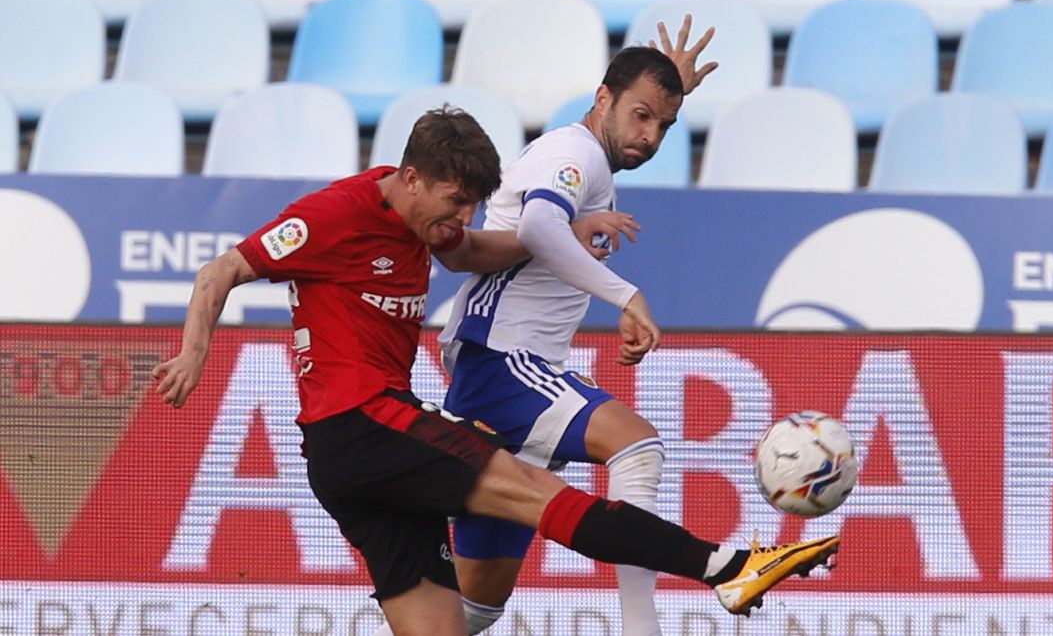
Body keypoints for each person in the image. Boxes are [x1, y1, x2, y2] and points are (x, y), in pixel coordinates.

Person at [153, 107, 839, 636]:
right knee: (539, 492)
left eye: (472, 202)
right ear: (411, 176)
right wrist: (194, 352)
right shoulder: (334, 214)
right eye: (454, 200)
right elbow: (223, 270)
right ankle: (729, 565)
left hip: (345, 456)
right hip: (368, 419)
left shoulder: (432, 224)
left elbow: (474, 249)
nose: (462, 217)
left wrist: (559, 234)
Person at [416, 17, 827, 636]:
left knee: (470, 612)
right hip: (503, 362)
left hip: (498, 373)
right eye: (639, 115)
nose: (650, 135)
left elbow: (538, 232)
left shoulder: (588, 161)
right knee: (638, 444)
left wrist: (667, 90)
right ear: (601, 98)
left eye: (662, 124)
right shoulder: (573, 151)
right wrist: (626, 296)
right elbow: (537, 228)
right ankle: (644, 626)